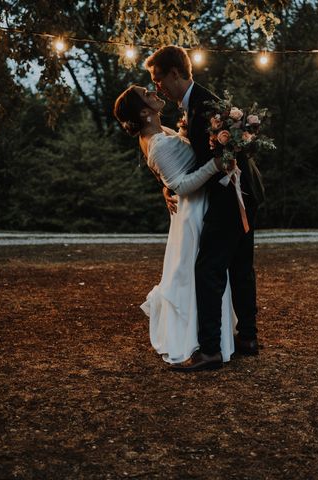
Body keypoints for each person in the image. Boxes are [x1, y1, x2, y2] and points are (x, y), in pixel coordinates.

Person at [144, 46, 265, 372]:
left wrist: (173, 184)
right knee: (240, 266)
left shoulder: (202, 108)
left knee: (209, 269)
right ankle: (248, 337)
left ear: (174, 73)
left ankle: (210, 349)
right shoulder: (200, 104)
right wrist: (168, 183)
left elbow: (202, 163)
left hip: (229, 198)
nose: (158, 88)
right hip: (244, 194)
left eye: (158, 80)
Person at [113, 85, 236, 366]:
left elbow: (170, 175)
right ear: (145, 112)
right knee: (196, 275)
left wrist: (165, 186)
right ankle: (199, 339)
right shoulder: (155, 142)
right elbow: (179, 184)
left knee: (201, 273)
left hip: (194, 207)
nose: (155, 94)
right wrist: (215, 165)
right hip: (192, 212)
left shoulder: (158, 133)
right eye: (148, 95)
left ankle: (212, 338)